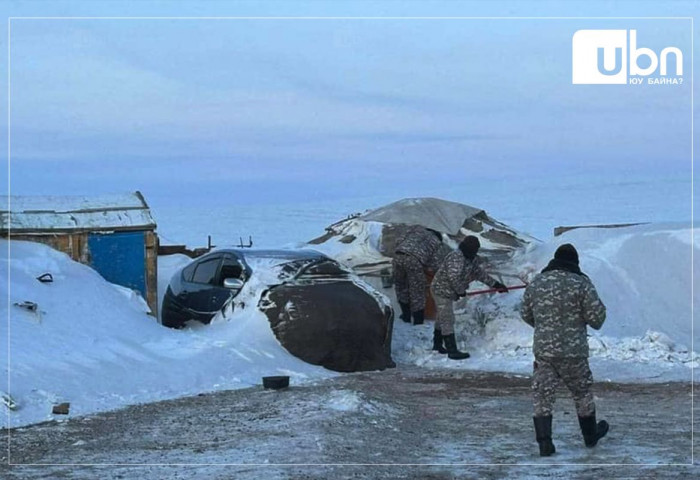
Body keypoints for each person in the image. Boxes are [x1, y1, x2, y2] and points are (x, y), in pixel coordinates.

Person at [520, 243, 609, 457]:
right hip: (574, 353)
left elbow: (525, 312)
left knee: (543, 396)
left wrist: (544, 328)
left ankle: (545, 443)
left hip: (544, 352)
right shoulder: (582, 283)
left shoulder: (537, 283)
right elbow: (597, 319)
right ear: (575, 263)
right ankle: (590, 436)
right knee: (581, 393)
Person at [430, 236, 508, 359]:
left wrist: (496, 285)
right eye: (474, 249)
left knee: (442, 317)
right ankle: (452, 351)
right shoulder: (457, 257)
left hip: (450, 291)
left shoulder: (470, 259)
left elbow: (479, 274)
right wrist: (460, 291)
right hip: (441, 290)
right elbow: (453, 278)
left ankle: (437, 344)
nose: (475, 252)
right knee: (447, 319)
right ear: (467, 248)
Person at [392, 226, 443, 325]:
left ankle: (406, 316)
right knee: (417, 291)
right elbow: (435, 263)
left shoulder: (415, 229)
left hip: (398, 255)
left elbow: (399, 240)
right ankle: (418, 321)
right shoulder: (436, 242)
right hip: (414, 261)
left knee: (401, 287)